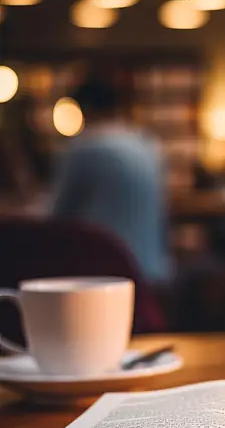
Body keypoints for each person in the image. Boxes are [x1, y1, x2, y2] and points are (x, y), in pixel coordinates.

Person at [51, 76, 170, 284]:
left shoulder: (86, 147)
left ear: (85, 108)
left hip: (103, 271)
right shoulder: (147, 144)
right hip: (153, 267)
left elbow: (56, 214)